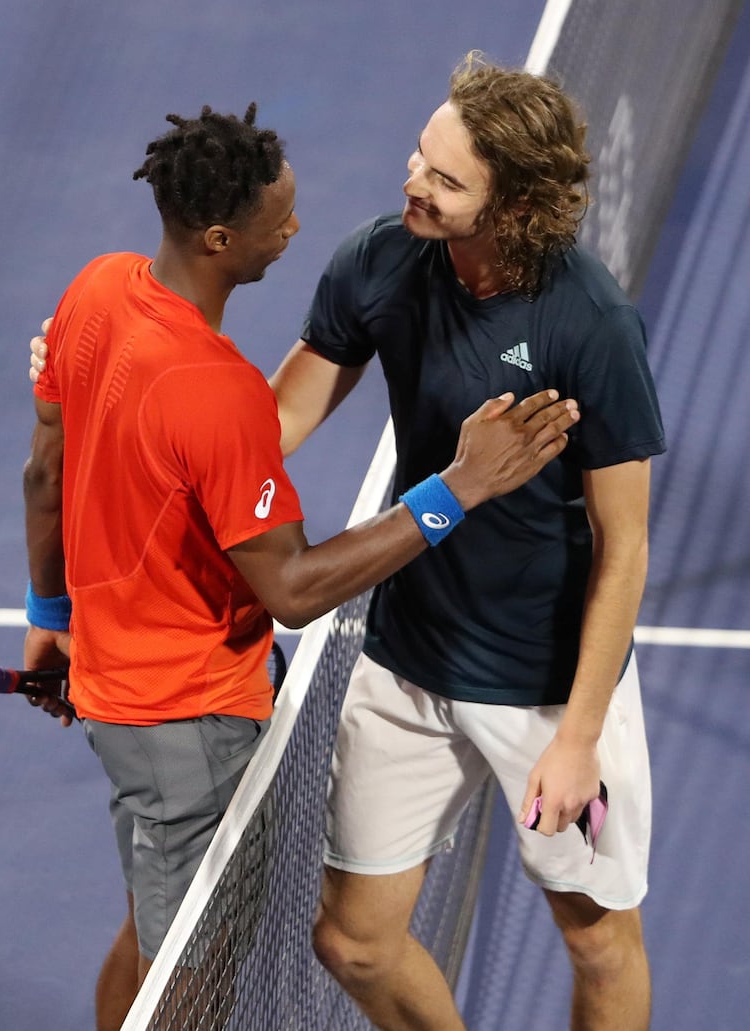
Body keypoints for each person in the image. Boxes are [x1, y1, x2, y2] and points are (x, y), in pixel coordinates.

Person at [23, 101, 578, 1030]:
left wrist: (51, 615)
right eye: (276, 217)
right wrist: (456, 489)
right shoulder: (218, 390)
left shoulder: (96, 289)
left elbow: (47, 470)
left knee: (156, 923)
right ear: (217, 236)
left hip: (120, 680)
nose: (293, 228)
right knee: (190, 981)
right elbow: (292, 589)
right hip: (185, 722)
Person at [269, 54, 665, 1030]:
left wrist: (575, 737)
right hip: (407, 663)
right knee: (353, 940)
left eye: (445, 181)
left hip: (544, 685)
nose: (413, 182)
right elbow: (263, 428)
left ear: (514, 208)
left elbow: (622, 548)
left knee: (594, 939)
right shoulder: (377, 260)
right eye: (418, 157)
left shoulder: (588, 324)